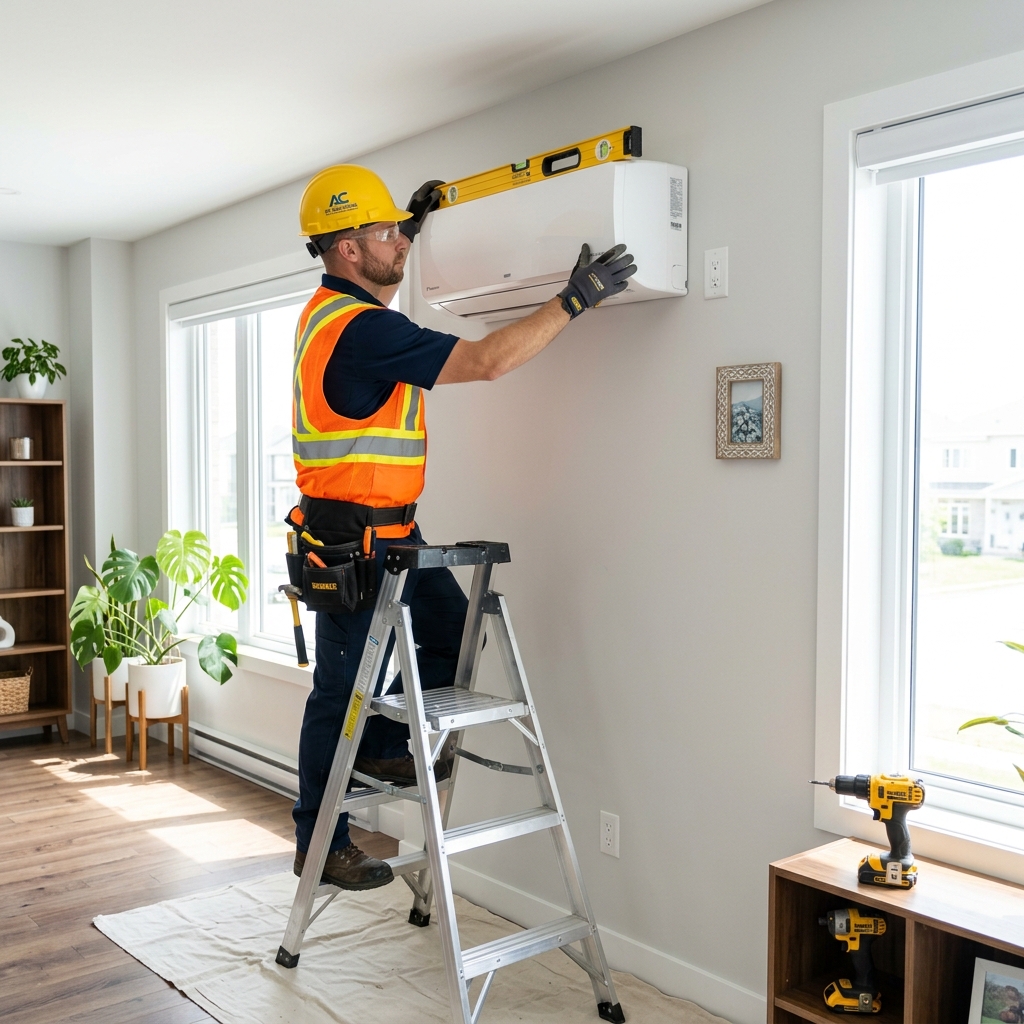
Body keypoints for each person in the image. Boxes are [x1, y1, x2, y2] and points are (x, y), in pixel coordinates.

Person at [290, 164, 635, 889]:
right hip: (354, 541)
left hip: (390, 535)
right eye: (385, 233)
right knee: (341, 690)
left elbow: (380, 267)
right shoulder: (362, 331)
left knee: (454, 626)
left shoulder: (330, 307)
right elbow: (484, 361)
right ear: (348, 248)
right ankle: (319, 843)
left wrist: (408, 226)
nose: (399, 245)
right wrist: (575, 299)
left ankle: (386, 745)